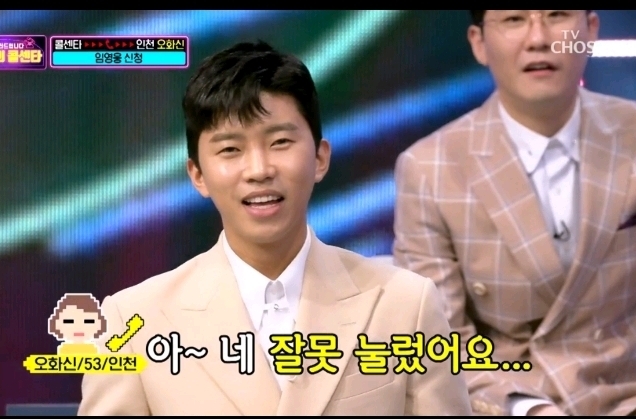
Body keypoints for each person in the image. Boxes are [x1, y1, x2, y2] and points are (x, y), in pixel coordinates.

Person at [78, 40, 472, 416]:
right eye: (230, 149)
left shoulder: (406, 303)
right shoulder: (133, 321)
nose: (259, 170)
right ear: (197, 175)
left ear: (320, 158)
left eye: (280, 142)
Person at [394, 10, 636, 416]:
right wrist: (528, 409)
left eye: (557, 15)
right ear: (478, 42)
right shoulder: (431, 169)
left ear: (591, 30)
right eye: (514, 20)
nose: (538, 38)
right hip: (517, 400)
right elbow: (439, 342)